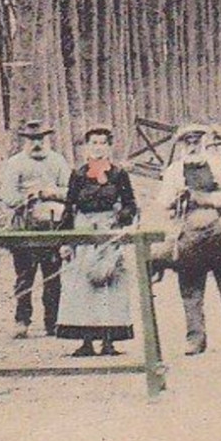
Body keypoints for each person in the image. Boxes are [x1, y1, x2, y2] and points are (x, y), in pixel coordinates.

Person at [159, 123, 221, 357]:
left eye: (196, 141)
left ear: (203, 141)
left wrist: (207, 198)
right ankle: (195, 339)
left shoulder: (219, 165)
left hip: (216, 231)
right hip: (189, 234)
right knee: (191, 289)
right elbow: (162, 201)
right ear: (181, 144)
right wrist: (175, 198)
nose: (192, 146)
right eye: (187, 142)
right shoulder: (174, 171)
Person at [56, 126, 139, 357]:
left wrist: (120, 217)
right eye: (94, 143)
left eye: (103, 143)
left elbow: (131, 204)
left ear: (109, 147)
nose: (98, 147)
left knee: (109, 285)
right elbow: (69, 208)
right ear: (87, 148)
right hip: (83, 233)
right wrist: (65, 241)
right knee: (82, 287)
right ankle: (86, 342)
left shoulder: (119, 174)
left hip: (109, 233)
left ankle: (109, 341)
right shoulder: (78, 175)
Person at [0, 119, 72, 339]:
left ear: (47, 139)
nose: (37, 143)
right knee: (24, 277)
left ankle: (53, 321)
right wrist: (28, 196)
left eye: (41, 139)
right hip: (24, 228)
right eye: (32, 140)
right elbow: (7, 196)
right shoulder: (15, 163)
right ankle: (22, 320)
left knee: (53, 277)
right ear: (25, 141)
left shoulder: (58, 161)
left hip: (52, 227)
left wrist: (51, 193)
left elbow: (71, 191)